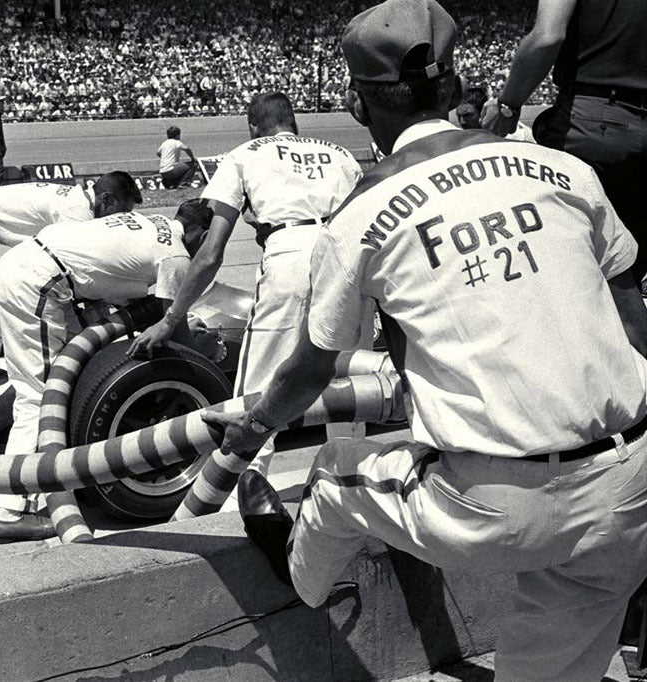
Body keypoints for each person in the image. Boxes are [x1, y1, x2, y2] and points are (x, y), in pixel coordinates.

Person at [208, 1, 647, 679]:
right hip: (630, 486)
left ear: (358, 106)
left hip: (500, 504)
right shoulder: (565, 171)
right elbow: (633, 327)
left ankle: (300, 591)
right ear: (456, 84)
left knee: (332, 473)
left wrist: (251, 430)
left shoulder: (359, 217)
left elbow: (307, 373)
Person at [130, 92, 364, 475]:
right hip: (347, 254)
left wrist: (170, 319)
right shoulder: (339, 153)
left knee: (255, 394)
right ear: (294, 122)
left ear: (253, 125)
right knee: (348, 390)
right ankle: (347, 491)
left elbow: (210, 252)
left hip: (290, 253)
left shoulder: (245, 153)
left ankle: (243, 491)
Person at [0, 185, 212, 543]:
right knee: (39, 399)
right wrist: (209, 362)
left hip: (38, 269)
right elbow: (175, 331)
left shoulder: (150, 223)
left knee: (80, 372)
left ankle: (64, 468)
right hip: (39, 283)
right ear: (201, 236)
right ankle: (8, 511)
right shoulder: (176, 258)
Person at [481, 0, 647, 287]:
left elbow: (548, 36)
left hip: (594, 124)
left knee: (568, 280)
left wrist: (507, 104)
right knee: (627, 280)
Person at [0, 175, 132, 363]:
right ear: (107, 199)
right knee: (8, 310)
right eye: (122, 212)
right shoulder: (76, 213)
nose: (119, 219)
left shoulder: (77, 198)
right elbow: (76, 267)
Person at [456, 86, 534, 142]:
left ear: (482, 112)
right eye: (458, 116)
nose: (462, 122)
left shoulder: (517, 136)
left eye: (468, 116)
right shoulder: (462, 140)